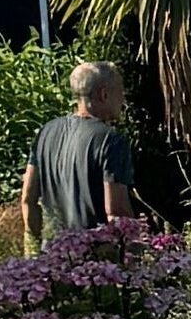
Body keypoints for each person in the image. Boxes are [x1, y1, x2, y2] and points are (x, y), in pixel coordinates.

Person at [20, 61, 141, 242]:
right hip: (96, 260)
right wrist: (137, 255)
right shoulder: (111, 140)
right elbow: (116, 214)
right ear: (104, 94)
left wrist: (37, 252)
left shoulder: (45, 132)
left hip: (54, 257)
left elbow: (28, 200)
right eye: (120, 92)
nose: (123, 100)